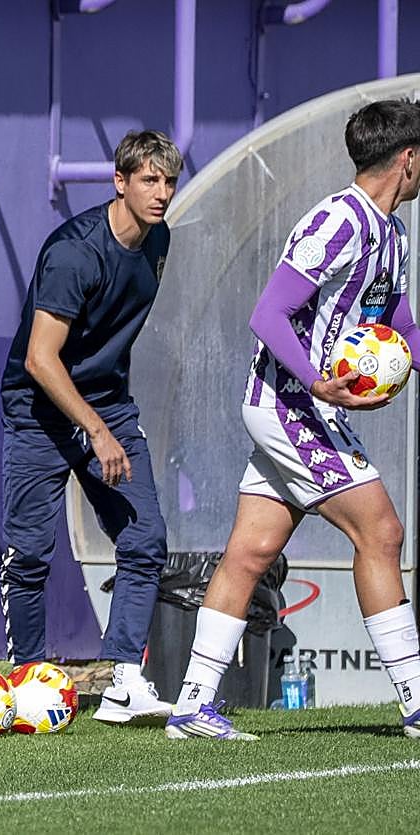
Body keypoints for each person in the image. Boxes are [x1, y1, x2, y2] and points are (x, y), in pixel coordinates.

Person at [166, 99, 420, 741]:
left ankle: (192, 707)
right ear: (408, 159)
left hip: (303, 404)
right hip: (290, 403)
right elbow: (268, 314)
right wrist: (317, 383)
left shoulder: (393, 235)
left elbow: (402, 326)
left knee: (249, 552)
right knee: (381, 532)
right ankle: (417, 702)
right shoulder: (339, 220)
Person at [0, 130, 182, 725]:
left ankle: (124, 680)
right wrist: (95, 432)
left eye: (169, 181)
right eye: (149, 180)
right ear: (120, 182)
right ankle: (27, 683)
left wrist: (109, 423)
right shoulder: (74, 252)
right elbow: (39, 359)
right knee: (29, 554)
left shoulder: (160, 242)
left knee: (144, 540)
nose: (161, 193)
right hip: (38, 411)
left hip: (109, 406)